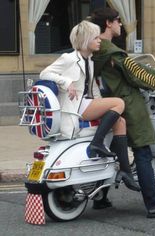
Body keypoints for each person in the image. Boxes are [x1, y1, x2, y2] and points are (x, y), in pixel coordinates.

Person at [90, 8, 155, 218]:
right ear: (108, 23)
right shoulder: (113, 51)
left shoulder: (95, 48)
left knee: (111, 149)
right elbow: (136, 73)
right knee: (143, 152)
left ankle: (101, 198)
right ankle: (154, 205)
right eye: (117, 21)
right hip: (129, 104)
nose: (120, 25)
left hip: (106, 103)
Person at [39, 20, 140, 193]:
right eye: (95, 37)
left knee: (120, 122)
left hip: (85, 104)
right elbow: (44, 73)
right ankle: (97, 143)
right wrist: (66, 82)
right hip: (74, 109)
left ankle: (125, 171)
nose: (99, 39)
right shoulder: (68, 58)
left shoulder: (90, 61)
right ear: (86, 40)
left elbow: (93, 91)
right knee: (119, 102)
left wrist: (103, 105)